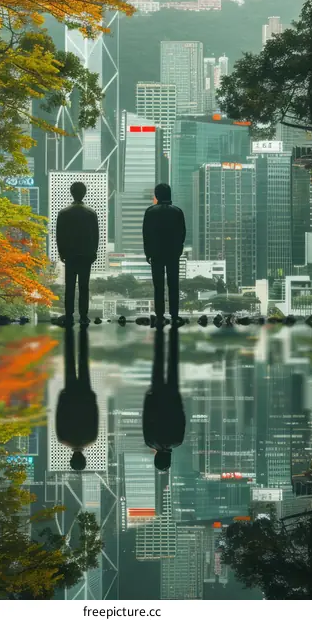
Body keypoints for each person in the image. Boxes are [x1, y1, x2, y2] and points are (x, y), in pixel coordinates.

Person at [55, 321, 99, 471]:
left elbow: (95, 416)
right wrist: (61, 397)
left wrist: (93, 398)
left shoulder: (91, 439)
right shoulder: (63, 439)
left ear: (84, 458)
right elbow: (59, 416)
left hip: (86, 396)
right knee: (69, 361)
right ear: (72, 459)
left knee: (83, 362)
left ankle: (83, 330)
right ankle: (69, 331)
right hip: (70, 396)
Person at [143, 320, 185, 472]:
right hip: (156, 397)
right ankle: (159, 330)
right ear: (156, 457)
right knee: (158, 362)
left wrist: (178, 399)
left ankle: (174, 330)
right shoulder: (150, 441)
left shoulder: (177, 441)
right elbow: (146, 418)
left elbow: (181, 417)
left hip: (172, 397)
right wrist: (148, 398)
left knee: (173, 362)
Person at [56, 181, 99, 324]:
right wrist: (94, 252)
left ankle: (69, 315)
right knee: (84, 287)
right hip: (86, 254)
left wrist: (62, 253)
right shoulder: (91, 213)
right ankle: (83, 316)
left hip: (70, 255)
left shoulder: (64, 213)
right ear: (84, 193)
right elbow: (96, 235)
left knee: (69, 287)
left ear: (71, 192)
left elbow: (59, 235)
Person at [142, 182, 186, 321]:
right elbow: (182, 233)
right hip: (173, 253)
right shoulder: (177, 211)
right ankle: (174, 314)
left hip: (156, 252)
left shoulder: (150, 211)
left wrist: (147, 253)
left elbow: (146, 234)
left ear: (157, 195)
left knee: (158, 285)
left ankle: (159, 315)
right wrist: (178, 250)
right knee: (173, 284)